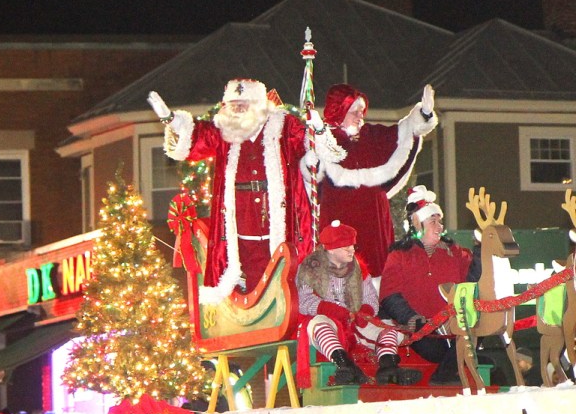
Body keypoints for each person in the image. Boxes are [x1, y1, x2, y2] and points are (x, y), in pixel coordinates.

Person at [148, 79, 317, 299]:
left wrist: (318, 132)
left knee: (278, 258)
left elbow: (312, 147)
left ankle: (283, 306)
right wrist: (171, 120)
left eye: (243, 104)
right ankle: (253, 306)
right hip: (240, 215)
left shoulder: (283, 126)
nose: (238, 109)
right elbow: (196, 139)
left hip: (277, 211)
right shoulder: (225, 131)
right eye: (234, 104)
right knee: (245, 258)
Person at [317, 83, 438, 277]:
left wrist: (422, 114)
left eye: (361, 112)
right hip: (338, 221)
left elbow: (403, 131)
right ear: (339, 111)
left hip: (375, 222)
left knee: (377, 274)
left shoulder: (372, 136)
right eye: (354, 112)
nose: (360, 116)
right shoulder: (323, 140)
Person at [297, 221, 420, 386]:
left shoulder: (358, 269)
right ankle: (345, 366)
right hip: (329, 321)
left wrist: (366, 310)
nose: (352, 250)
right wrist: (329, 309)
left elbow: (370, 297)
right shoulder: (309, 269)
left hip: (356, 321)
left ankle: (388, 367)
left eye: (352, 246)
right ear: (331, 249)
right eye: (346, 247)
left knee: (389, 329)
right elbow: (304, 301)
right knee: (319, 325)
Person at [380, 186, 474, 383]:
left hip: (453, 328)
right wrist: (414, 320)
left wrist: (484, 250)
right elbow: (389, 295)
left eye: (440, 221)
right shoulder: (399, 256)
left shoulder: (455, 253)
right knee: (438, 351)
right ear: (418, 223)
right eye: (433, 221)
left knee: (476, 330)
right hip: (420, 331)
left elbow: (474, 280)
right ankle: (448, 372)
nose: (439, 226)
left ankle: (444, 375)